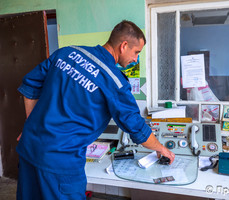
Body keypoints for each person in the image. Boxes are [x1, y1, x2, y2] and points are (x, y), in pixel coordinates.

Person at [16, 20, 175, 200]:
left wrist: (30, 126)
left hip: (29, 148)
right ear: (123, 46)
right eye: (136, 52)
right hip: (60, 162)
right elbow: (136, 127)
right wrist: (163, 149)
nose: (135, 59)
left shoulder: (66, 53)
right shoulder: (114, 82)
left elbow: (30, 85)